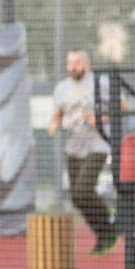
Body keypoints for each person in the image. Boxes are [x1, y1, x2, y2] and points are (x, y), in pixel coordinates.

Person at [48, 49, 117, 254]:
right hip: (74, 146)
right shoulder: (62, 88)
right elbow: (58, 113)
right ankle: (106, 232)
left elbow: (121, 106)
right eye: (70, 63)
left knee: (83, 189)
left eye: (77, 63)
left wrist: (101, 119)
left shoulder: (100, 83)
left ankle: (109, 225)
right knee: (77, 198)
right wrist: (54, 123)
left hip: (98, 143)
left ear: (86, 64)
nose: (73, 67)